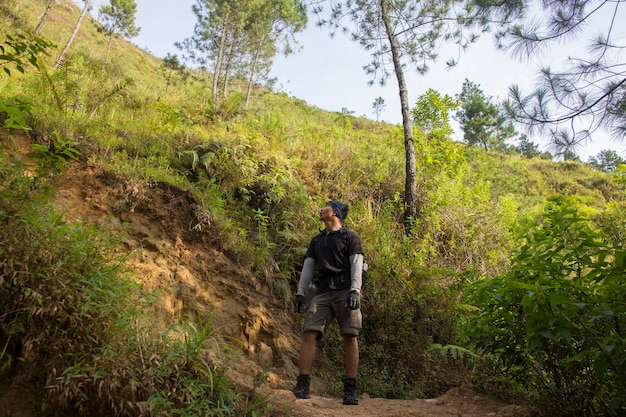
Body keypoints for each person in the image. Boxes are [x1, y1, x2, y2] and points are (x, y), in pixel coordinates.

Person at [292, 200, 365, 405]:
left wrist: (355, 291)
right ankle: (303, 383)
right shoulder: (317, 240)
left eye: (326, 206)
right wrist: (300, 293)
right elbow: (308, 267)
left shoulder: (350, 236)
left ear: (335, 213)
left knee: (350, 335)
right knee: (309, 331)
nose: (321, 209)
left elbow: (356, 263)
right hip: (323, 292)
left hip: (345, 290)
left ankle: (351, 387)